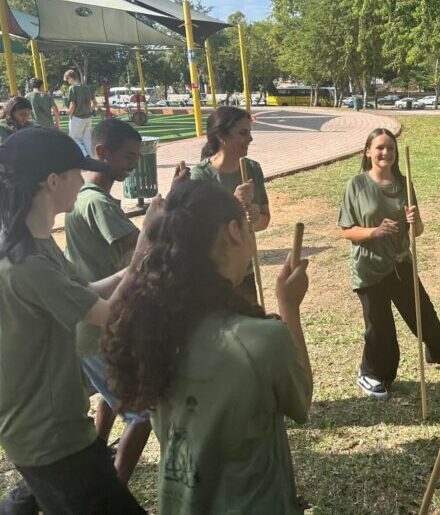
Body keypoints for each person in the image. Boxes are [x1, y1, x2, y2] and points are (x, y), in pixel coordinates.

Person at [102, 180, 312, 514]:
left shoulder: (154, 327)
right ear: (233, 231)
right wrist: (289, 306)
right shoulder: (260, 340)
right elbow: (300, 402)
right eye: (247, 226)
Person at [0, 127, 149, 514]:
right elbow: (110, 315)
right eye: (76, 173)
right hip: (49, 438)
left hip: (54, 428)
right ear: (52, 181)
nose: (82, 181)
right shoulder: (27, 263)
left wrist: (132, 265)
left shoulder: (36, 243)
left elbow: (84, 289)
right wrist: (147, 243)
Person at [339, 128, 440, 399]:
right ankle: (372, 374)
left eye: (391, 148)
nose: (386, 153)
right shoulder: (356, 185)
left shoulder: (404, 184)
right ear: (368, 152)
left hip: (400, 263)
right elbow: (347, 230)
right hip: (369, 267)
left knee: (424, 314)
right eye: (380, 148)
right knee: (380, 327)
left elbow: (417, 231)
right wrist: (374, 232)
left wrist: (415, 220)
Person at [64, 118, 153, 484]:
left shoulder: (88, 199)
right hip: (100, 326)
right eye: (128, 156)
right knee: (143, 414)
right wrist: (162, 215)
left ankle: (97, 456)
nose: (133, 163)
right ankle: (112, 490)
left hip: (93, 324)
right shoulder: (97, 202)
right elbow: (140, 255)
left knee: (112, 395)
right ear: (102, 152)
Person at [190, 106, 270, 303]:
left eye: (249, 132)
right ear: (221, 136)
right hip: (215, 273)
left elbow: (264, 220)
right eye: (243, 133)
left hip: (246, 270)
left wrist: (255, 218)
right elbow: (200, 229)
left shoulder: (252, 168)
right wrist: (234, 202)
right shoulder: (200, 175)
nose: (250, 139)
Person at [64, 69, 97, 156]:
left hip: (77, 117)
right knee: (87, 139)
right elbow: (95, 103)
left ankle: (85, 156)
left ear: (71, 77)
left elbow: (72, 105)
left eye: (68, 79)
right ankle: (92, 157)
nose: (68, 82)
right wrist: (89, 110)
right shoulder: (87, 87)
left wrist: (69, 114)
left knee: (73, 138)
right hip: (88, 118)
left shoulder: (73, 88)